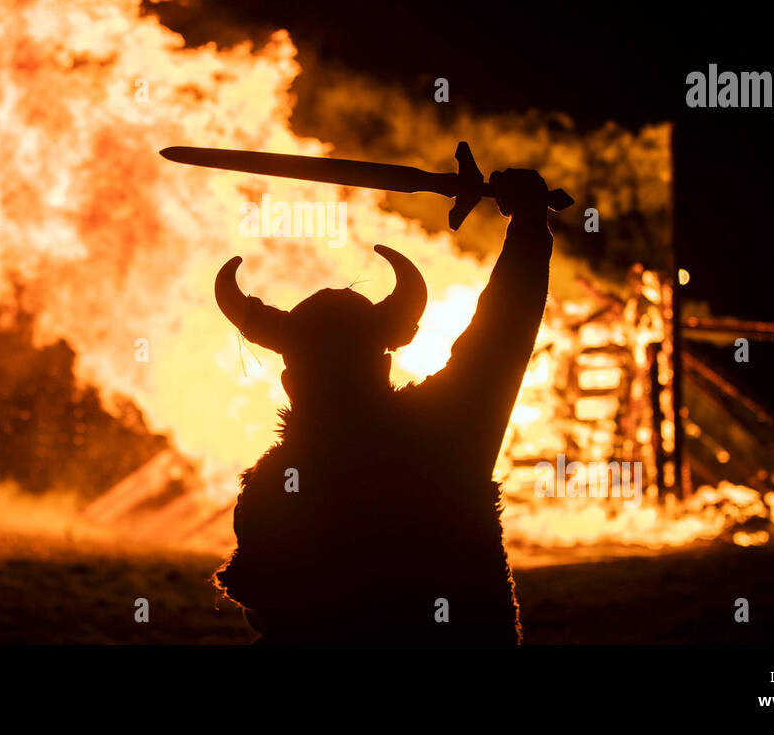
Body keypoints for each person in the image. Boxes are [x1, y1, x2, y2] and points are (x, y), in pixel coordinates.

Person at [211, 167, 554, 643]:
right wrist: (529, 225)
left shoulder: (271, 490)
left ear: (291, 383)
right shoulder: (445, 431)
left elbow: (269, 616)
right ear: (383, 368)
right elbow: (505, 329)